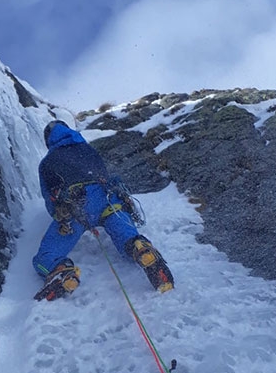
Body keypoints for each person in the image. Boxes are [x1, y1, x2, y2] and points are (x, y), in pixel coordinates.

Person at [33, 120, 174, 300]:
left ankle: (60, 270)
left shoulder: (48, 162)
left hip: (76, 207)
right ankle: (140, 248)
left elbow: (49, 197)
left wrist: (58, 214)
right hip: (109, 199)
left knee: (44, 258)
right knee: (126, 238)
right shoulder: (89, 150)